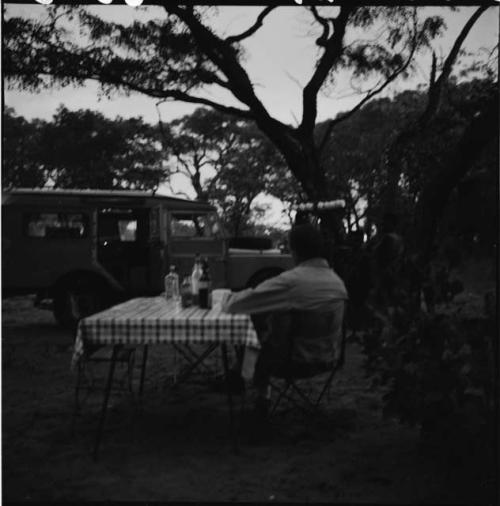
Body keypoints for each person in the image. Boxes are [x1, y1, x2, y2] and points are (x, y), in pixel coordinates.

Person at [222, 224, 348, 427]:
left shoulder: (292, 282)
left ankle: (258, 395)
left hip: (294, 361)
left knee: (255, 337)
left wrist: (228, 297)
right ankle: (241, 380)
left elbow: (235, 306)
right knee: (273, 322)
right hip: (329, 357)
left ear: (293, 251)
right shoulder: (337, 282)